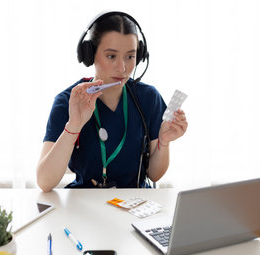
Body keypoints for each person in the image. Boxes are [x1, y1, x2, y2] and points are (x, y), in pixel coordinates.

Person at [37, 11, 187, 191]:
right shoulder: (68, 101)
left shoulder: (149, 98)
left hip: (135, 205)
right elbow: (45, 182)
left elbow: (154, 175)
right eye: (111, 56)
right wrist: (74, 125)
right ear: (90, 54)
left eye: (130, 56)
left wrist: (163, 142)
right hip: (84, 205)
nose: (123, 68)